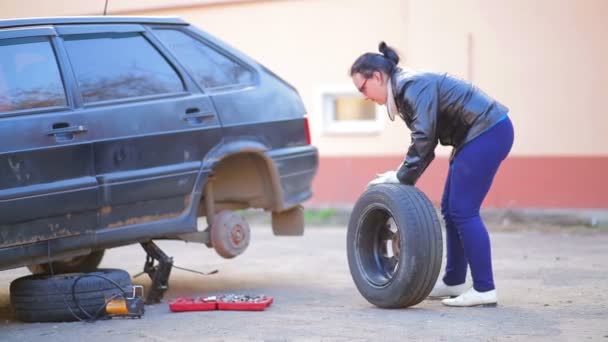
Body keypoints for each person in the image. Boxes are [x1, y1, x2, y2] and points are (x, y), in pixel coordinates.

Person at [351, 42, 514, 307]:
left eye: (362, 87)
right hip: (476, 135)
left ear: (378, 77)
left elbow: (425, 139)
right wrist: (403, 175)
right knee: (451, 209)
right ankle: (454, 281)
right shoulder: (404, 90)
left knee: (463, 210)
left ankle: (485, 288)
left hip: (488, 131)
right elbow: (425, 139)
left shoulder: (411, 85)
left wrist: (401, 176)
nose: (363, 95)